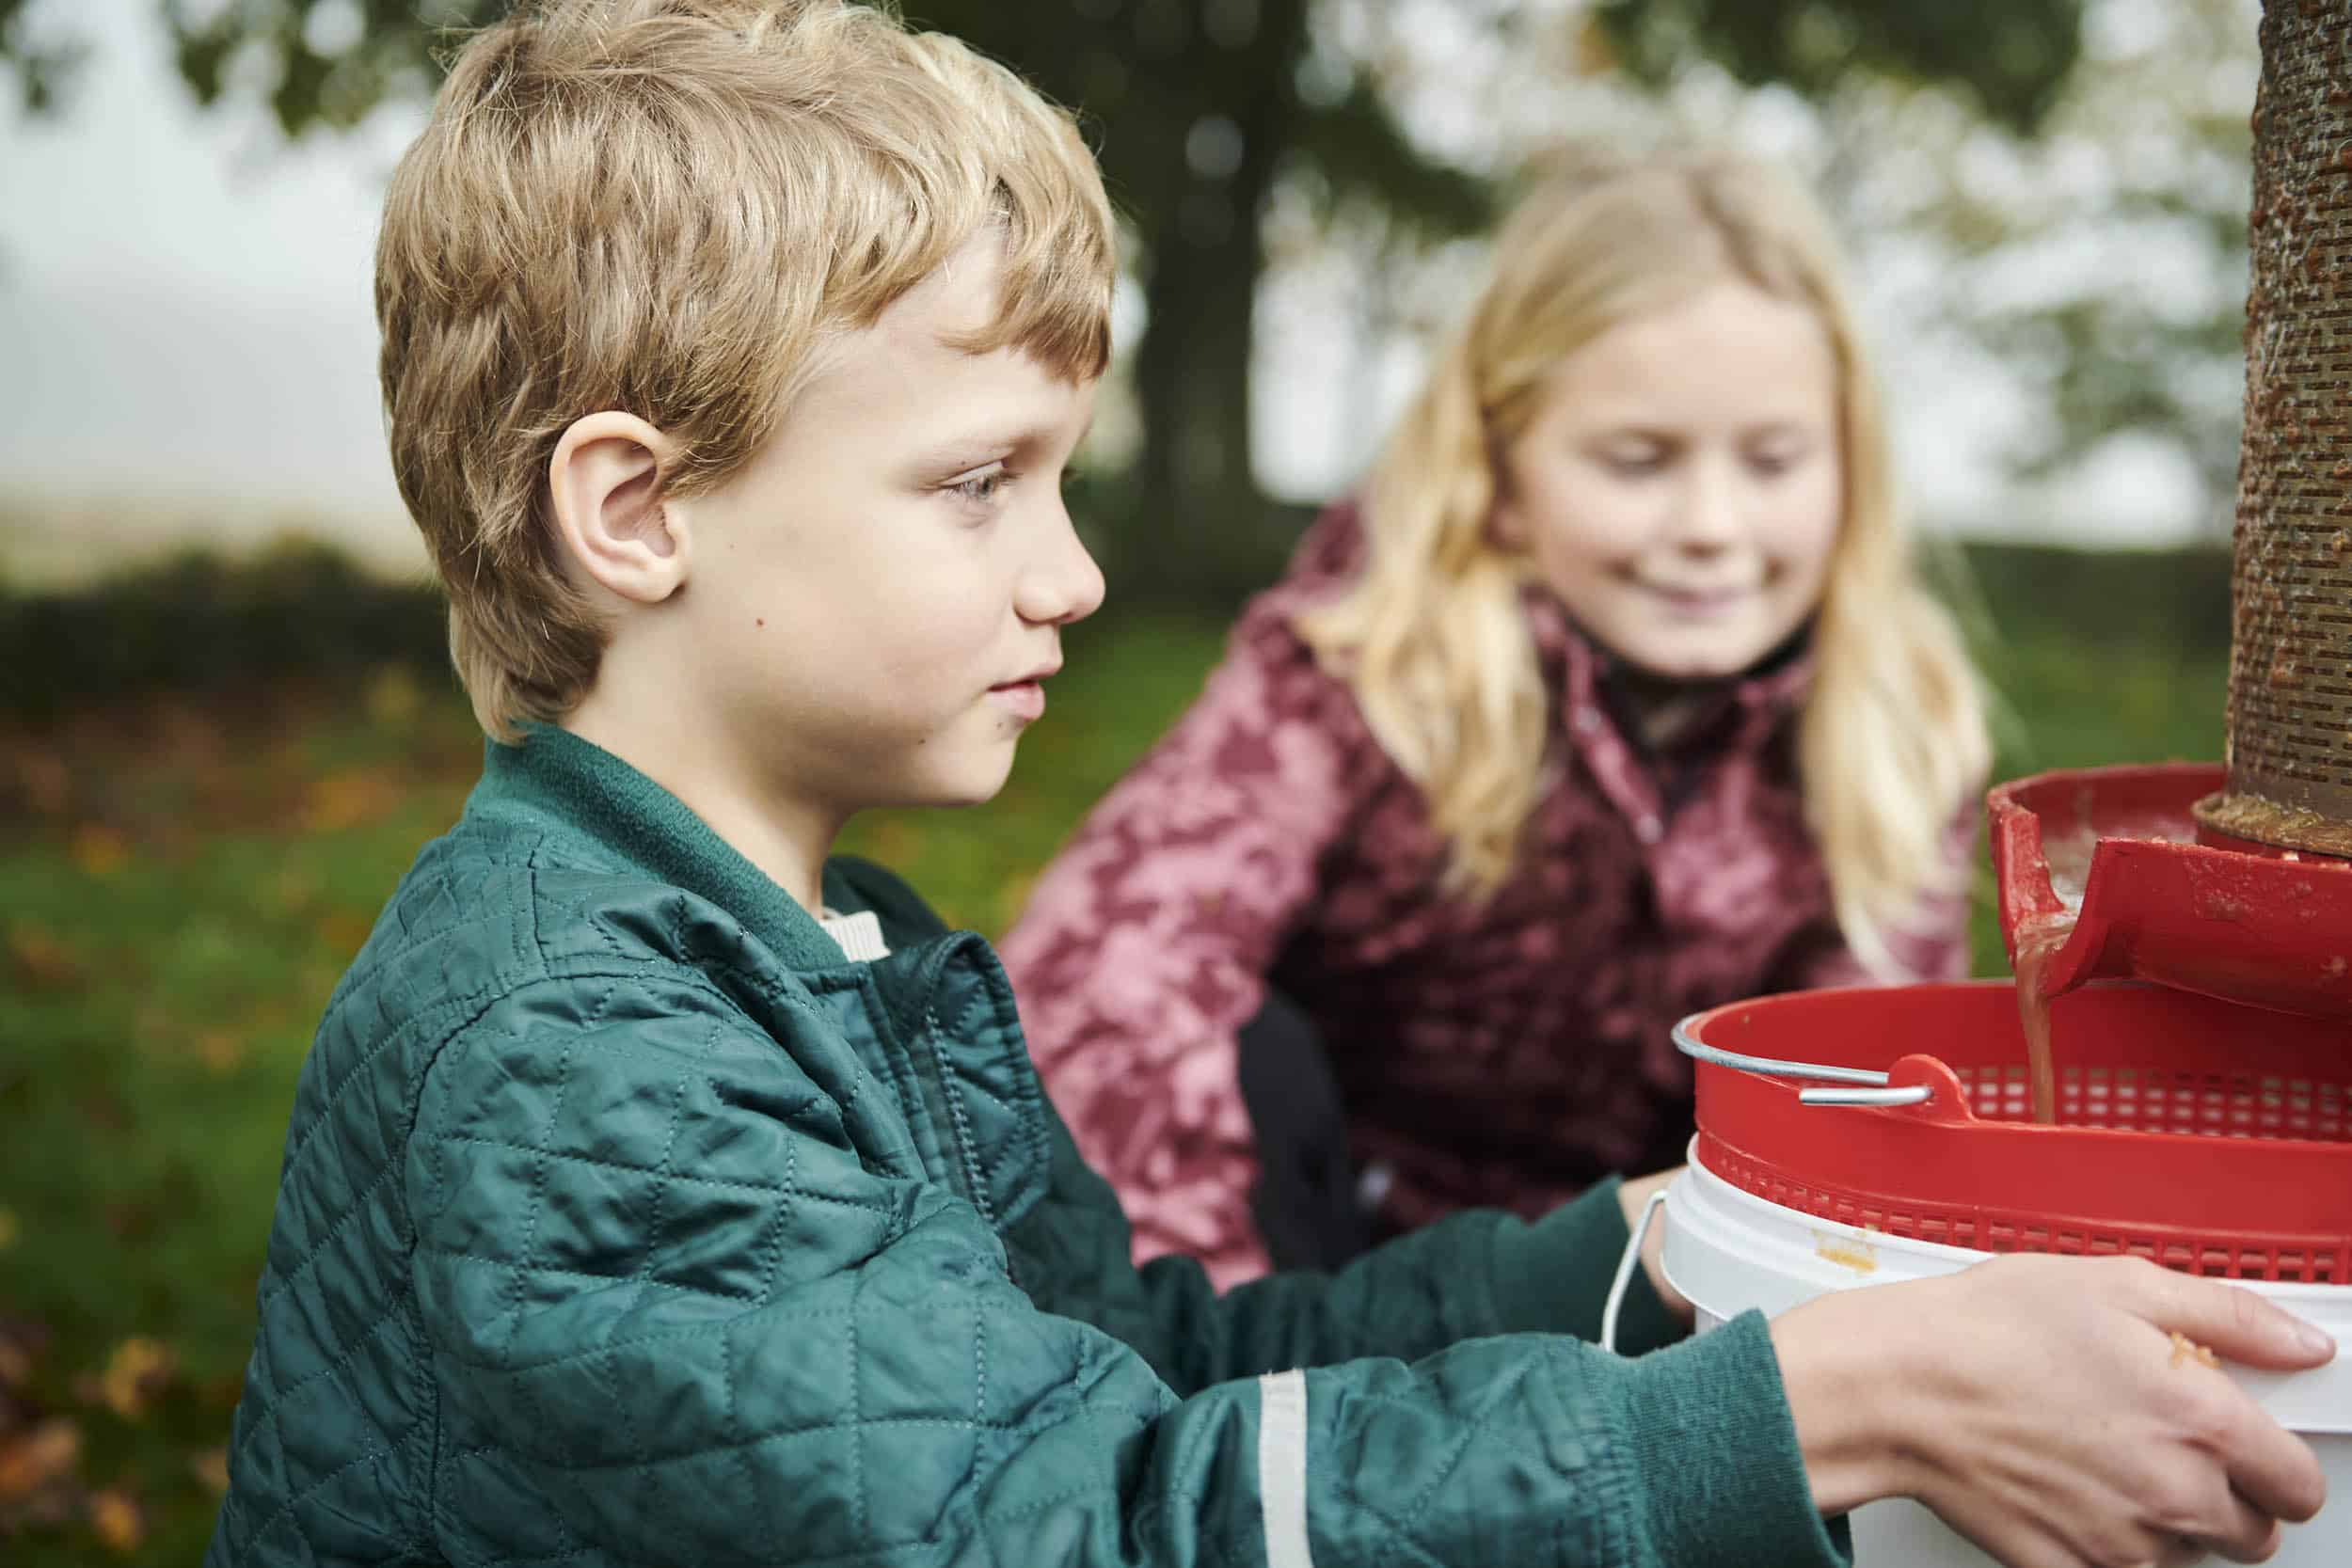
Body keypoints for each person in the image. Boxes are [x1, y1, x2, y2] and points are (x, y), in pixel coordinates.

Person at [206, 7, 2333, 1566]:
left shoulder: (816, 956)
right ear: (634, 512)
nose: (1075, 573)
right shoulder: (578, 1045)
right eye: (979, 487)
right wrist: (1818, 1406)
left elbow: (1138, 1373)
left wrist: (1635, 1254)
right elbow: (1076, 1529)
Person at [999, 149, 1992, 1283]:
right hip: (1333, 1286)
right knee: (1248, 1043)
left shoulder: (1886, 728)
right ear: (1503, 472)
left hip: (1651, 1286)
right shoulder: (1360, 665)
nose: (1713, 523)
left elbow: (1867, 1113)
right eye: (1638, 459)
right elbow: (1114, 973)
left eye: (1771, 462)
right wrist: (1216, 1319)